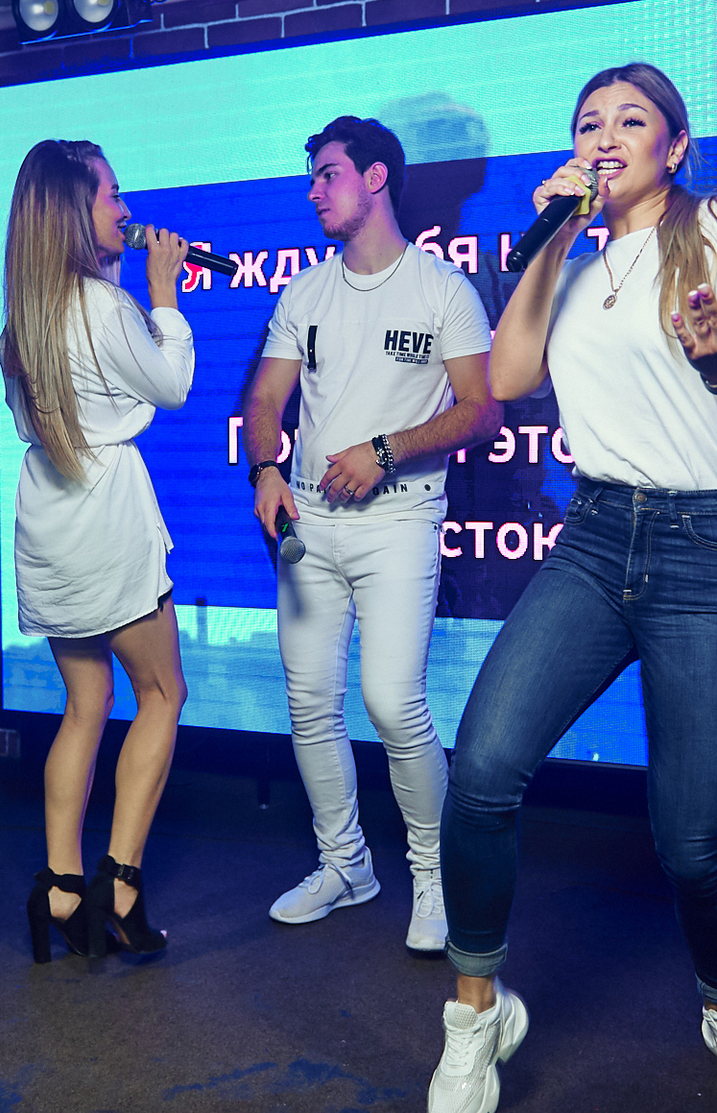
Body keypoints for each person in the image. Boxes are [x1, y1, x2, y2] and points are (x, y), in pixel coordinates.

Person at [426, 63, 717, 1112]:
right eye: (589, 122)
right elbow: (506, 381)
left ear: (673, 148)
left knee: (693, 844)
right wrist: (550, 239)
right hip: (595, 538)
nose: (605, 135)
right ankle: (475, 1013)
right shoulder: (573, 260)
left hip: (712, 547)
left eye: (632, 120)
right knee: (482, 767)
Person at [246, 117, 501, 952]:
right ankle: (346, 865)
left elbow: (482, 412)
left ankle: (437, 876)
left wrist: (385, 451)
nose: (314, 192)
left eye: (328, 175)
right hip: (308, 526)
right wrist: (266, 469)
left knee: (393, 703)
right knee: (310, 705)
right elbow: (265, 400)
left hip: (399, 520)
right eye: (312, 178)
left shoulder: (443, 290)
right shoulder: (304, 292)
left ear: (377, 177)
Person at [0, 139, 194, 962]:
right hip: (109, 525)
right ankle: (121, 887)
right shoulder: (107, 307)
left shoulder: (23, 320)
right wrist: (164, 296)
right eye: (112, 193)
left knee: (84, 703)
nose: (126, 207)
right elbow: (172, 386)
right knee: (162, 693)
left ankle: (59, 887)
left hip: (49, 524)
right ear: (73, 211)